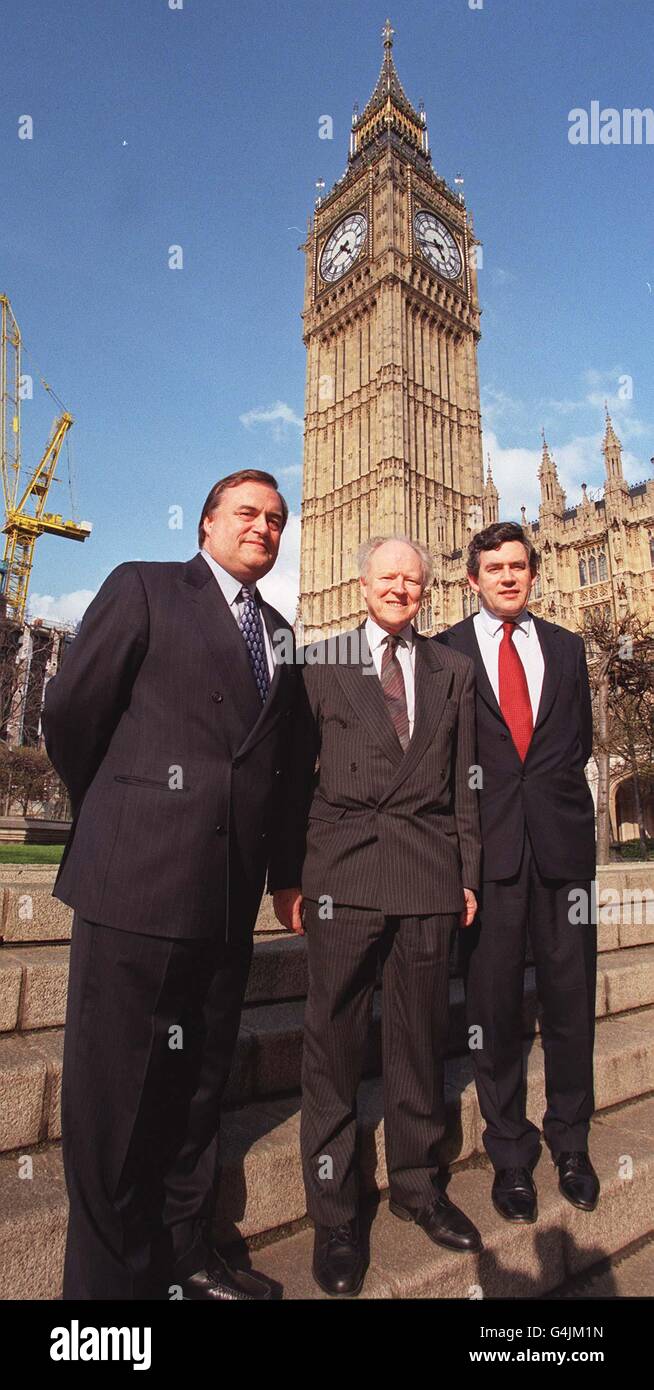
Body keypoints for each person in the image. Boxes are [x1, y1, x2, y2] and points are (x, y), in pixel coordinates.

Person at [42, 468, 297, 1300]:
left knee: (196, 1089)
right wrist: (126, 814)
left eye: (277, 518)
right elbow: (72, 713)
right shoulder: (146, 588)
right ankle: (109, 1294)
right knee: (116, 1101)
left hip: (225, 902)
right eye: (248, 513)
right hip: (137, 888)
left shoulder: (283, 633)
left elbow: (280, 772)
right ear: (207, 524)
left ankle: (187, 1257)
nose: (264, 527)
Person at [272, 536, 483, 1297]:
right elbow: (292, 779)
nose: (402, 589)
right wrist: (287, 879)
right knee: (332, 1046)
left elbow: (465, 785)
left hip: (427, 874)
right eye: (389, 577)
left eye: (414, 580)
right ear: (362, 583)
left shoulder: (453, 670)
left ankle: (420, 1187)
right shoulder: (318, 662)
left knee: (421, 1041)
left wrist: (467, 874)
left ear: (427, 591)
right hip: (343, 874)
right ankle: (334, 1215)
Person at [437, 521, 599, 1224]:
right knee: (494, 1011)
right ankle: (509, 1152)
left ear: (534, 573)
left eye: (518, 566)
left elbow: (576, 742)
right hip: (489, 854)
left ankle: (571, 1142)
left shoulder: (567, 647)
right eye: (493, 568)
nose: (507, 576)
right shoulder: (445, 651)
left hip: (562, 850)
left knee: (570, 1003)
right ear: (471, 579)